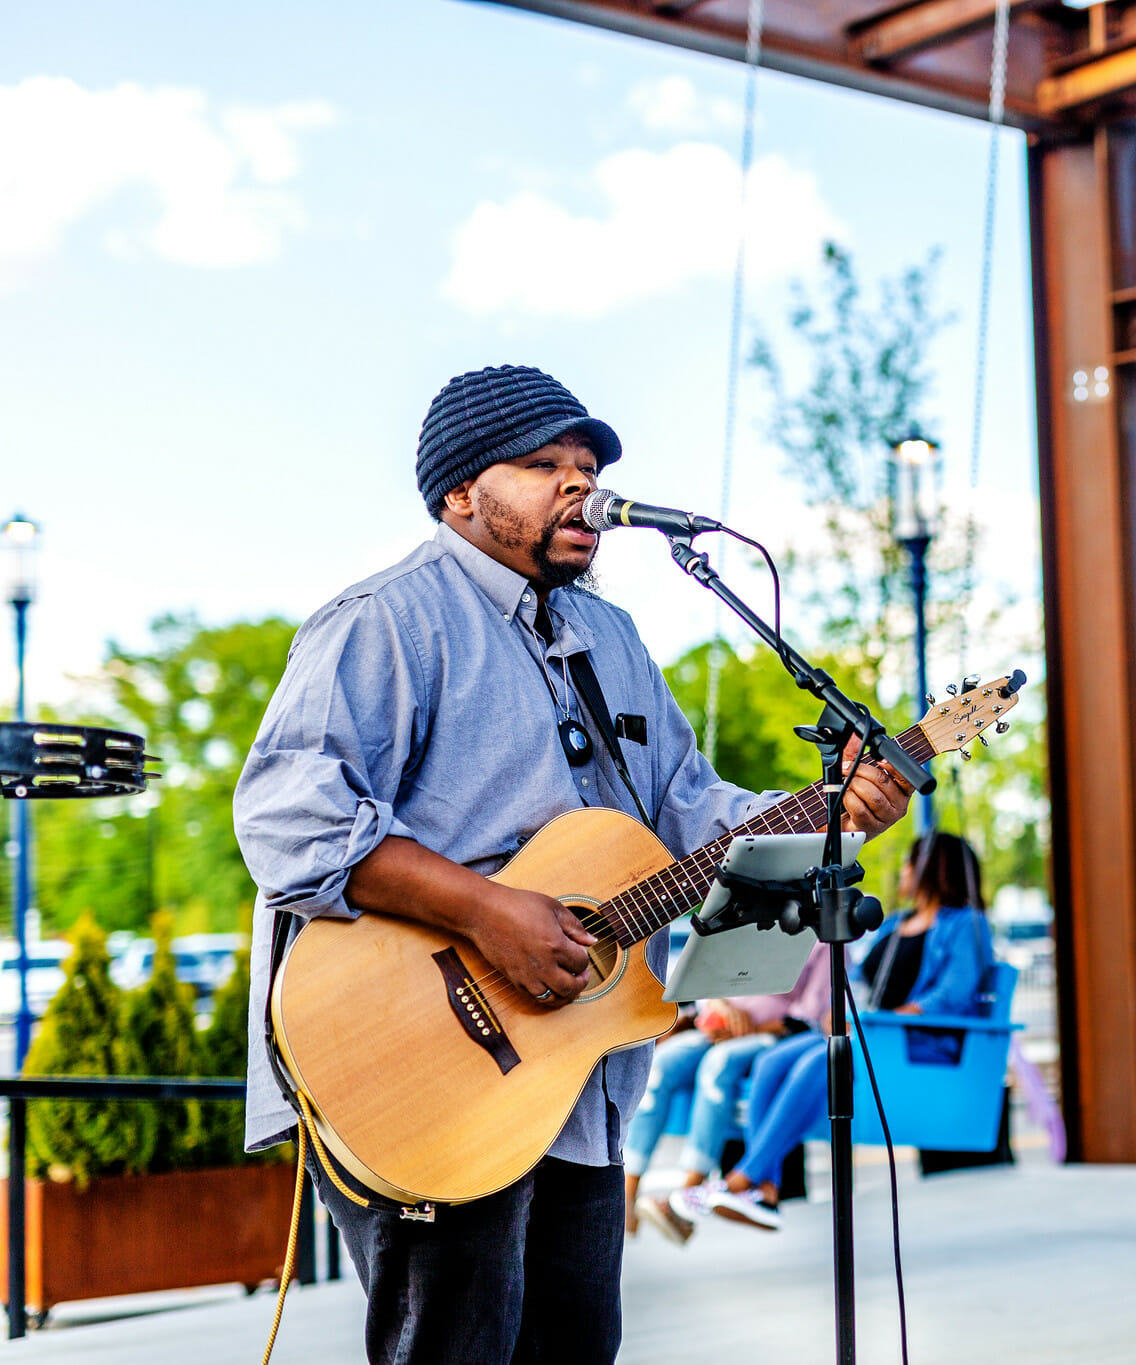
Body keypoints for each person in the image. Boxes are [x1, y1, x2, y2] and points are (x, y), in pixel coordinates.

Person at [232, 364, 911, 1365]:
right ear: (459, 492)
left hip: (580, 1086)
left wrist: (832, 815)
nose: (581, 484)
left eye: (588, 465)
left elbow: (692, 809)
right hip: (427, 1078)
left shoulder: (611, 636)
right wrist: (485, 912)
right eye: (544, 463)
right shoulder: (386, 619)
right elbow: (291, 819)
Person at [672, 830, 995, 1232]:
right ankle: (766, 1191)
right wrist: (838, 1009)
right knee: (773, 1061)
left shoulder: (966, 925)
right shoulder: (897, 923)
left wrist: (886, 1019)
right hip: (868, 1033)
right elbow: (859, 978)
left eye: (909, 864)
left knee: (822, 1061)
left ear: (933, 869)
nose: (903, 871)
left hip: (909, 1041)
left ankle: (741, 1180)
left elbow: (953, 994)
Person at [625, 943, 829, 1242]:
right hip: (719, 1027)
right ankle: (627, 1194)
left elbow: (809, 1015)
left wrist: (752, 1028)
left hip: (772, 1036)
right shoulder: (744, 924)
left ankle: (686, 1198)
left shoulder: (820, 942)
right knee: (661, 1064)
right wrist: (719, 1006)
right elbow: (708, 977)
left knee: (717, 1065)